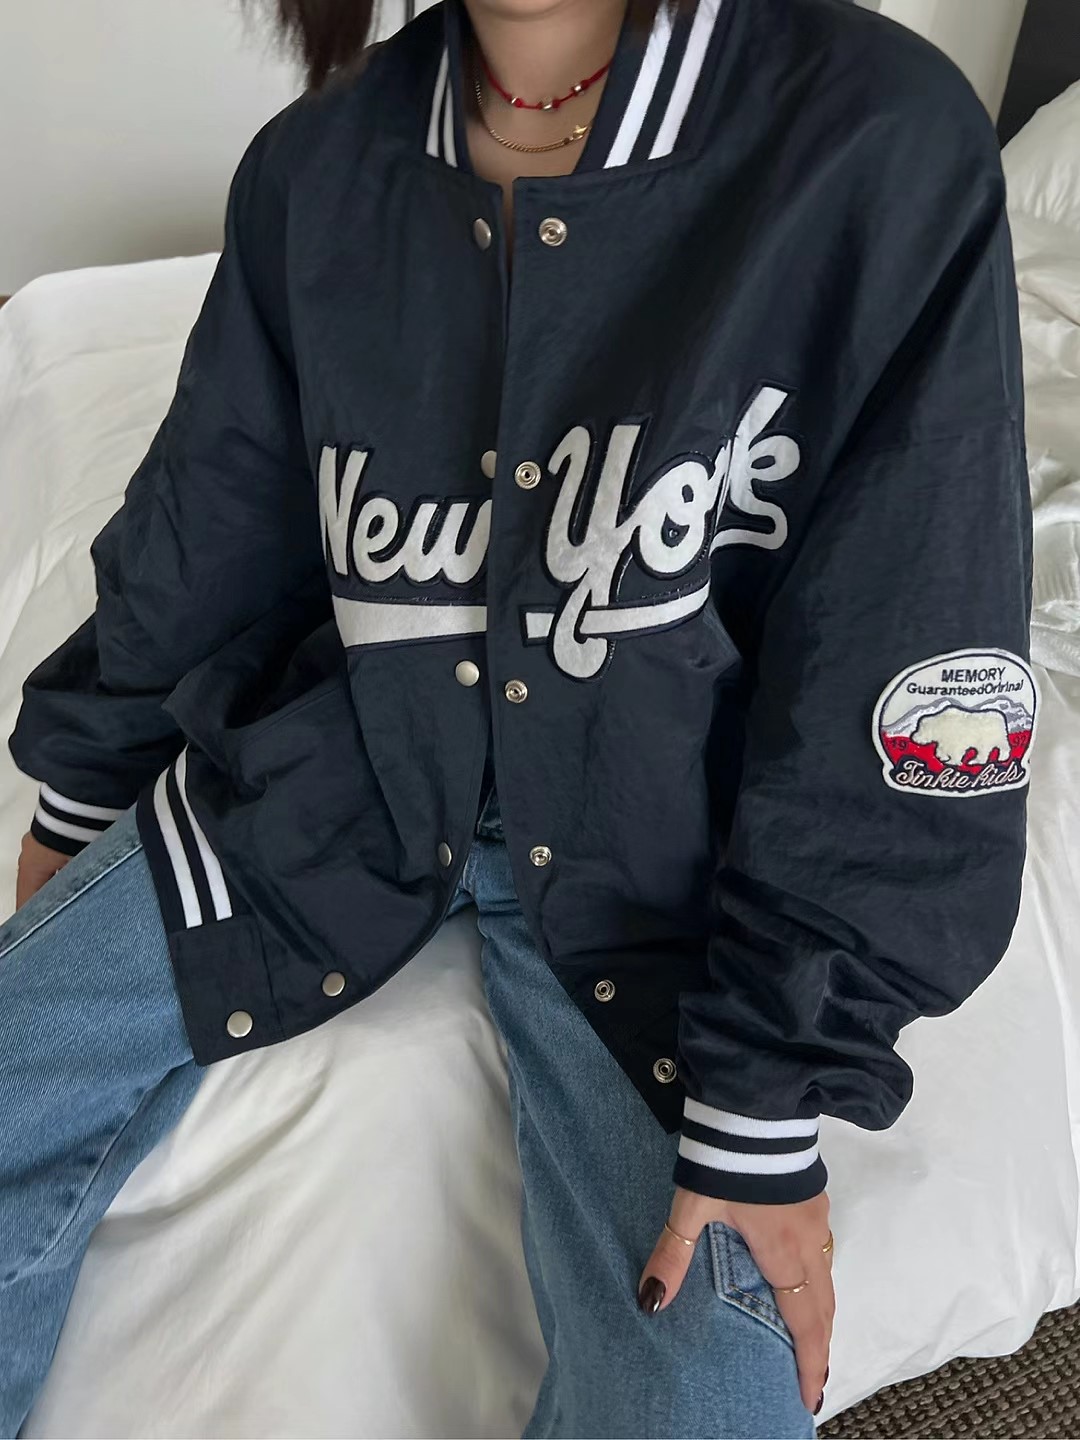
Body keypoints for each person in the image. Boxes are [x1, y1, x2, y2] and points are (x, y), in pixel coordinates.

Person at [1, 0, 1035, 1434]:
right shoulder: (316, 163)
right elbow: (215, 515)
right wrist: (81, 785)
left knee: (700, 1397)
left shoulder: (880, 141)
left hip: (667, 877)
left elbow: (906, 634)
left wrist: (767, 1095)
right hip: (336, 781)